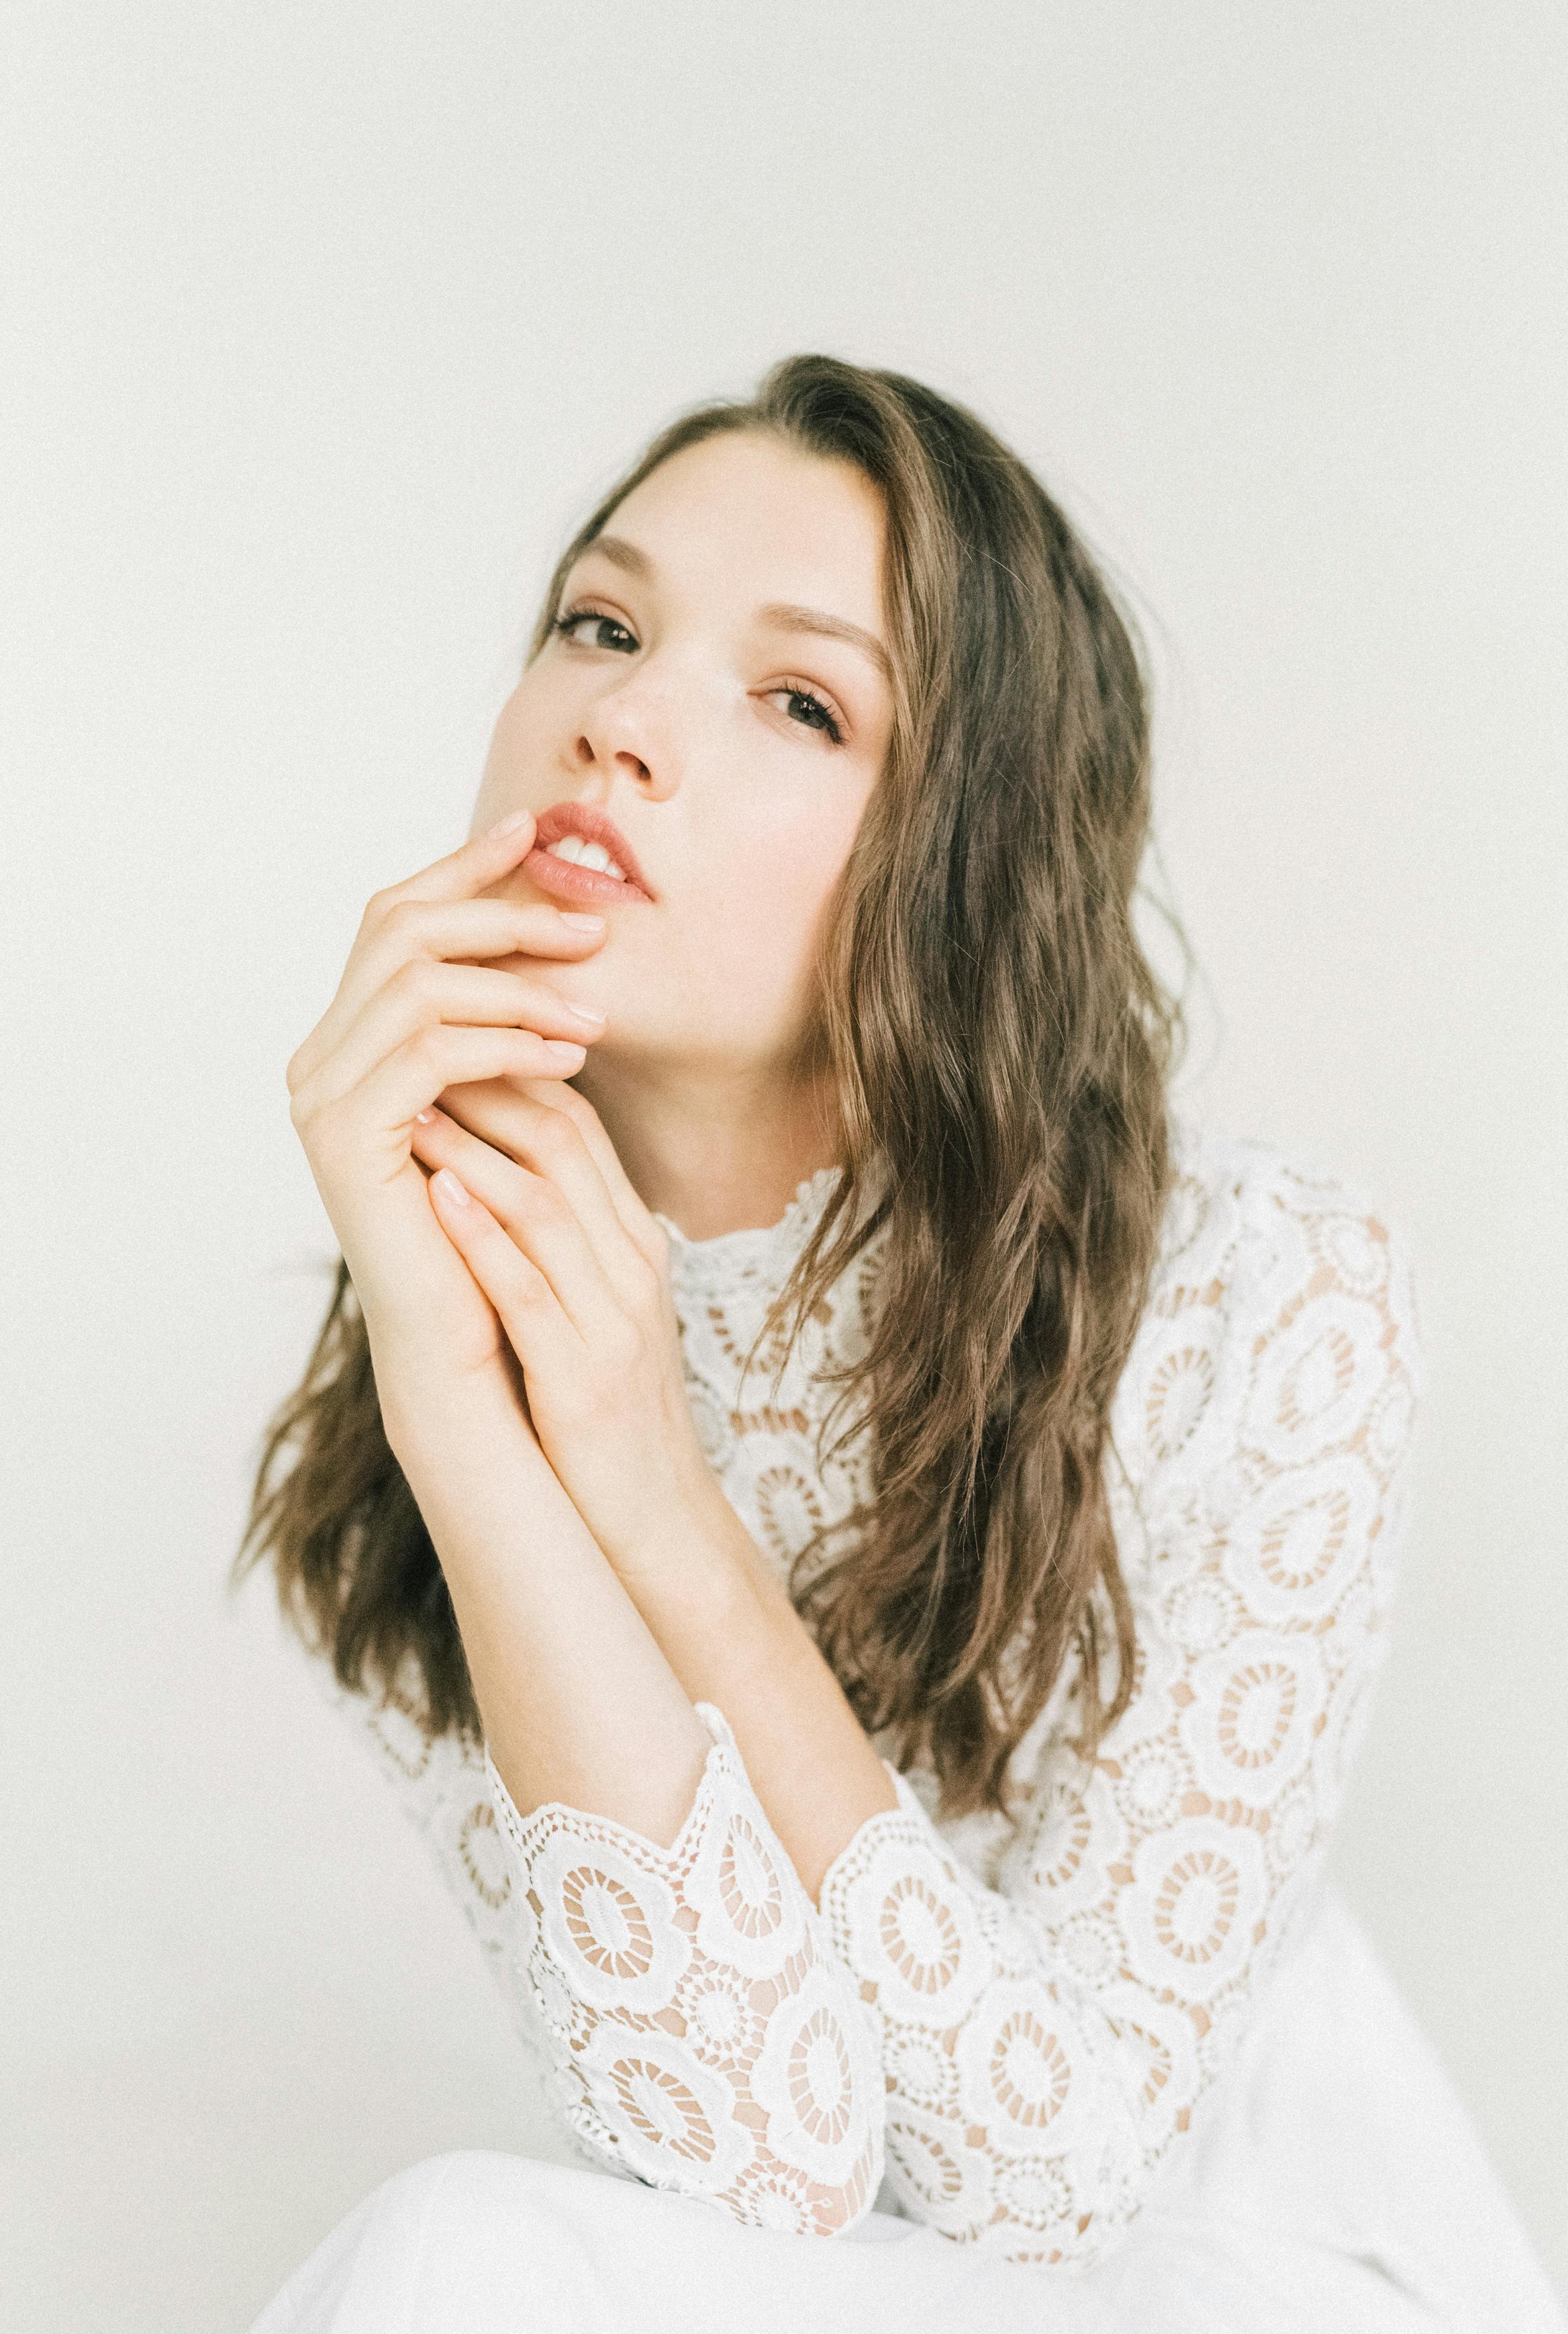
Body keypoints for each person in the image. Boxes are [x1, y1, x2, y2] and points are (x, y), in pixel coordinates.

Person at [235, 354, 1564, 2333]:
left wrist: (660, 1498)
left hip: (1253, 2266)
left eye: (800, 700)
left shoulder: (1258, 1299)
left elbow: (1060, 2182)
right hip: (831, 2276)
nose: (619, 719)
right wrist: (458, 1402)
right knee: (465, 2254)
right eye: (601, 623)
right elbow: (766, 2155)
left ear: (964, 861)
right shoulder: (406, 1457)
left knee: (464, 2260)